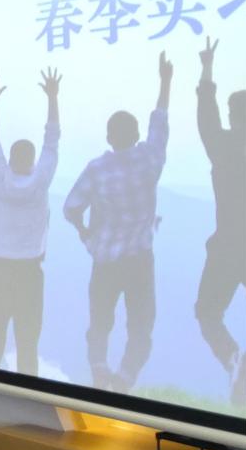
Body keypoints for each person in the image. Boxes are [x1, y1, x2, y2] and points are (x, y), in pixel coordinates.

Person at [64, 51, 172, 393]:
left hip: (105, 261)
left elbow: (70, 207)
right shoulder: (149, 158)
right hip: (140, 260)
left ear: (109, 137)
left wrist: (85, 232)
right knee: (141, 325)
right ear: (137, 134)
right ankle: (124, 381)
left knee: (100, 322)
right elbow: (160, 123)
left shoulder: (97, 169)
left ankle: (99, 372)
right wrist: (165, 81)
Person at [0, 68, 61, 376]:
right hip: (30, 275)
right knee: (28, 349)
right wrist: (53, 97)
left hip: (0, 270)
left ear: (11, 159)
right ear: (32, 160)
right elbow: (52, 141)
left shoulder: (0, 178)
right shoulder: (41, 180)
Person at [193, 37, 246, 405]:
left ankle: (233, 358)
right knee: (208, 311)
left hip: (227, 246)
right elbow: (209, 113)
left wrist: (207, 68)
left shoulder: (222, 145)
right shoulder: (224, 145)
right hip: (236, 246)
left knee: (207, 312)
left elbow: (205, 114)